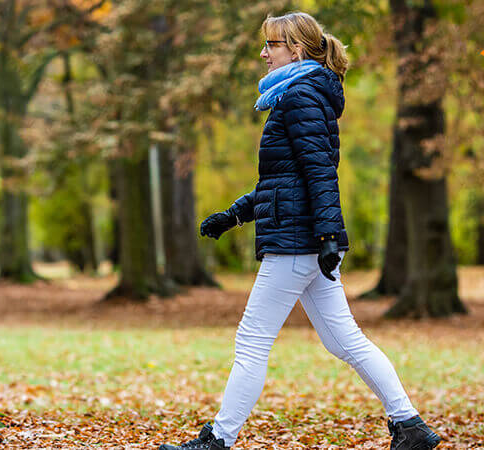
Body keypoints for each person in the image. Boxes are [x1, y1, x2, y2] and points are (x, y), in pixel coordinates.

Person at [158, 11, 442, 450]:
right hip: (306, 239)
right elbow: (282, 183)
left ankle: (218, 439)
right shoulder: (301, 94)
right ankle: (410, 426)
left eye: (270, 45)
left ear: (295, 49)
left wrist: (329, 234)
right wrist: (232, 216)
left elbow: (319, 173)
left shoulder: (300, 96)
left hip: (298, 243)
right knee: (344, 340)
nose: (263, 53)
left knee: (252, 340)